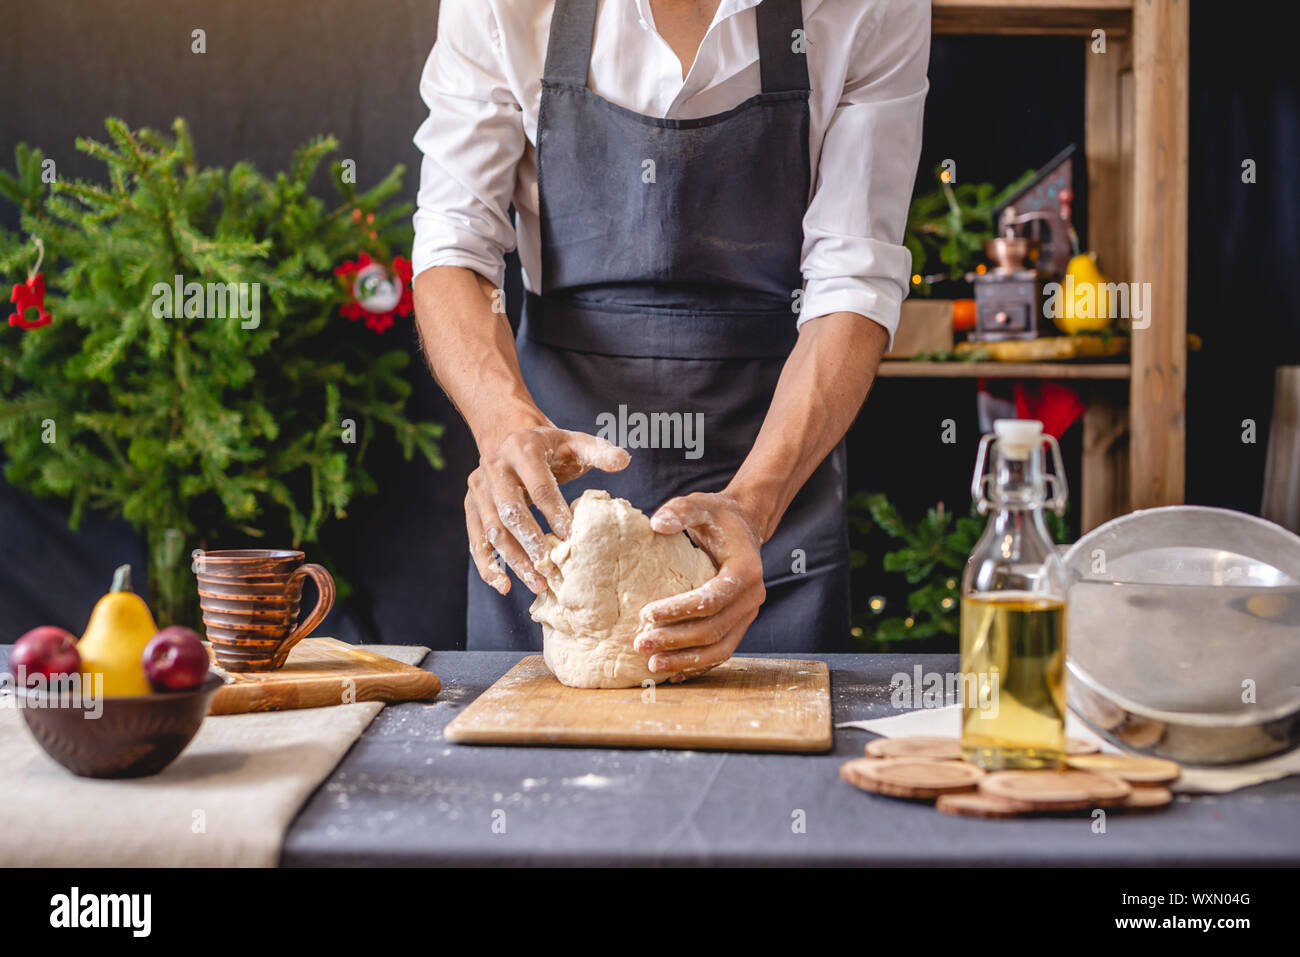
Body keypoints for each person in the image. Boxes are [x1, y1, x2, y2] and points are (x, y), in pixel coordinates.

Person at [412, 0, 929, 670]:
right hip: (550, 522)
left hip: (767, 502)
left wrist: (752, 508)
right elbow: (454, 245)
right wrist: (501, 424)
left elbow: (854, 280)